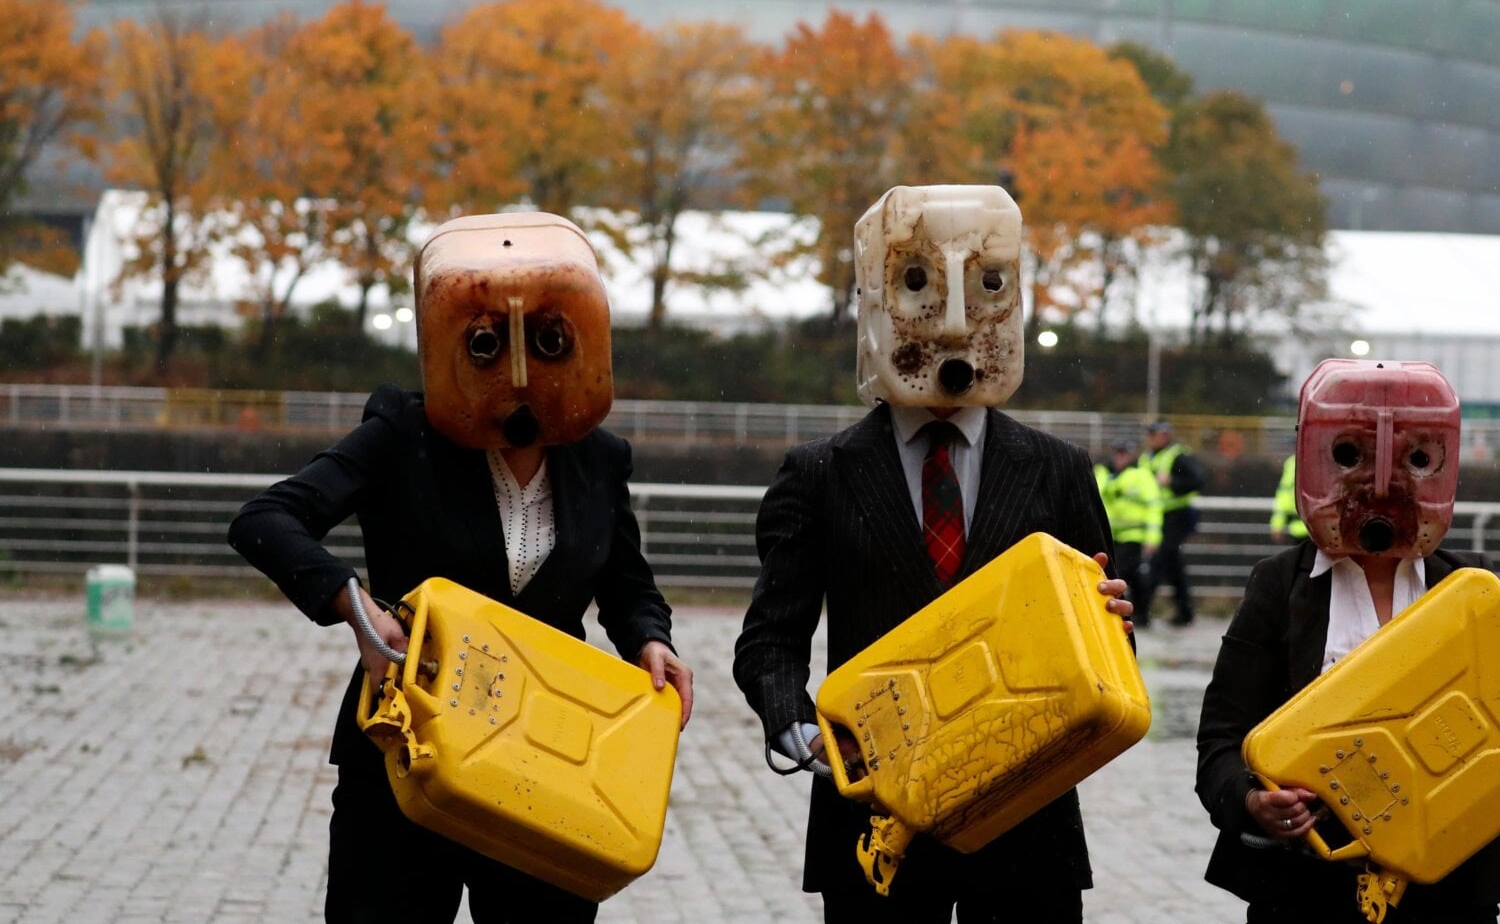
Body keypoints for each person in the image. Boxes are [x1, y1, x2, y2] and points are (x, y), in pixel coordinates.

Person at [228, 213, 694, 924]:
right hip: (407, 746)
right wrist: (356, 607)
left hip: (546, 760)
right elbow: (265, 520)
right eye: (486, 343)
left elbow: (627, 583)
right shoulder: (401, 435)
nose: (519, 369)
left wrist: (650, 639)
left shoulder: (599, 457)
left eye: (547, 340)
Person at [733, 185, 1132, 923]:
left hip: (1026, 823)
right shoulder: (818, 473)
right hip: (875, 819)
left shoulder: (1058, 470)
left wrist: (1112, 625)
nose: (955, 323)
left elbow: (1107, 635)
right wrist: (799, 726)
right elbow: (770, 638)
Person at [1196, 359, 1500, 924]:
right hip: (1303, 892)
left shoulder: (1471, 589)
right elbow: (1221, 743)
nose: (1381, 484)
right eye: (1351, 455)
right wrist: (1252, 804)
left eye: (1414, 459)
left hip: (1449, 893)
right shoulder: (1279, 586)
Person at [1140, 418, 1205, 626]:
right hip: (1155, 517)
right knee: (1173, 566)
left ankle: (1141, 611)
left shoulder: (1178, 456)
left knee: (1159, 562)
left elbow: (1198, 480)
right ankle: (1184, 612)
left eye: (1155, 434)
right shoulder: (1146, 458)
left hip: (1176, 517)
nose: (1151, 438)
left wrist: (1172, 482)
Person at [1096, 438, 1161, 627]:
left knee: (1120, 575)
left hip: (1134, 535)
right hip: (1109, 536)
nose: (1120, 457)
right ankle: (1139, 614)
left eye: (1124, 453)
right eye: (1118, 452)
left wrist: (1152, 538)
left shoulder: (1142, 476)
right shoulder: (1103, 474)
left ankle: (1125, 615)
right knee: (1133, 577)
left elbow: (1153, 507)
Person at [1269, 452, 1308, 545]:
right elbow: (1284, 496)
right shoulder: (1293, 463)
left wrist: (1277, 525)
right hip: (1302, 529)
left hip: (1309, 530)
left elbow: (1284, 495)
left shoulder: (1293, 462)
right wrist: (1277, 525)